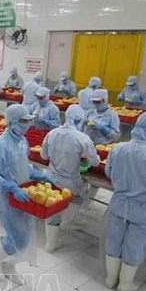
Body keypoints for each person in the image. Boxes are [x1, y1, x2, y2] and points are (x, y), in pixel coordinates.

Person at [0, 104, 55, 284]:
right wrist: (11, 187)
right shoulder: (0, 145)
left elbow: (23, 164)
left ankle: (8, 264)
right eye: (24, 121)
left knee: (23, 236)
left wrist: (36, 174)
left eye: (29, 121)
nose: (28, 124)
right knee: (19, 238)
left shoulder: (22, 141)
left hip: (25, 196)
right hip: (10, 199)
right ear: (12, 121)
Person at [105, 112, 146, 291]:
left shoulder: (117, 148)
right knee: (134, 244)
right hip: (141, 207)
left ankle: (110, 279)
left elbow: (108, 172)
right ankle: (125, 285)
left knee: (114, 240)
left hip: (118, 202)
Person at [40, 105, 100, 251]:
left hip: (51, 178)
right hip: (71, 181)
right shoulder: (82, 138)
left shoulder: (52, 133)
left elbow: (43, 156)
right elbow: (95, 162)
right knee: (81, 197)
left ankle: (50, 244)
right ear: (80, 120)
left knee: (52, 208)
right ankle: (68, 220)